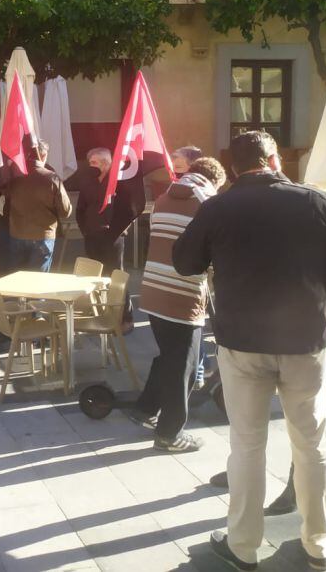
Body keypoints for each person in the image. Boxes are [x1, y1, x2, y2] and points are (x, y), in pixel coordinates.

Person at [173, 131, 326, 572]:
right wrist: (316, 306)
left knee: (246, 444)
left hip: (243, 342)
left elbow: (184, 262)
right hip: (304, 341)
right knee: (311, 444)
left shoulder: (218, 206)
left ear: (233, 168)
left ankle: (242, 547)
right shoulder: (316, 202)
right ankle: (318, 545)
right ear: (275, 159)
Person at [131, 157, 226, 453]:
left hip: (153, 287)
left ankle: (145, 408)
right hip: (183, 292)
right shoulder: (208, 203)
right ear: (214, 181)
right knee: (185, 364)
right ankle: (170, 434)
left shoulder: (162, 198)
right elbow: (213, 249)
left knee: (170, 356)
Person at [0, 140, 72, 272]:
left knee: (18, 276)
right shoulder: (51, 177)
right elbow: (65, 211)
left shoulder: (13, 175)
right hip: (43, 234)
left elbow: (1, 189)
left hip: (17, 233)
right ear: (44, 155)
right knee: (37, 279)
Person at [75, 147, 125, 275]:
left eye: (94, 163)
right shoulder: (88, 182)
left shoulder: (119, 182)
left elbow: (128, 208)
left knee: (113, 273)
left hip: (113, 237)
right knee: (93, 273)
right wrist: (85, 230)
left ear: (105, 163)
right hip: (92, 235)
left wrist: (118, 230)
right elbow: (80, 209)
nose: (90, 166)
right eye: (90, 163)